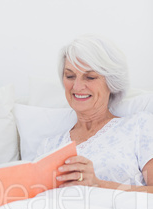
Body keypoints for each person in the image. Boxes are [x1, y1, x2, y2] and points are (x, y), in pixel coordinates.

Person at [37, 35, 153, 193]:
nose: (77, 87)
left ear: (111, 83)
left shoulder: (139, 127)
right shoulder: (49, 147)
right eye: (70, 76)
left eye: (90, 77)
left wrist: (99, 184)